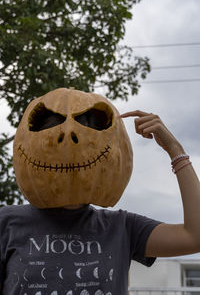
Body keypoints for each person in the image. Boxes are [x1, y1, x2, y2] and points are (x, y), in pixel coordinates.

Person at [0, 110, 200, 295]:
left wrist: (175, 150)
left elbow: (194, 237)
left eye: (85, 143)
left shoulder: (122, 227)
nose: (70, 139)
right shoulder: (7, 222)